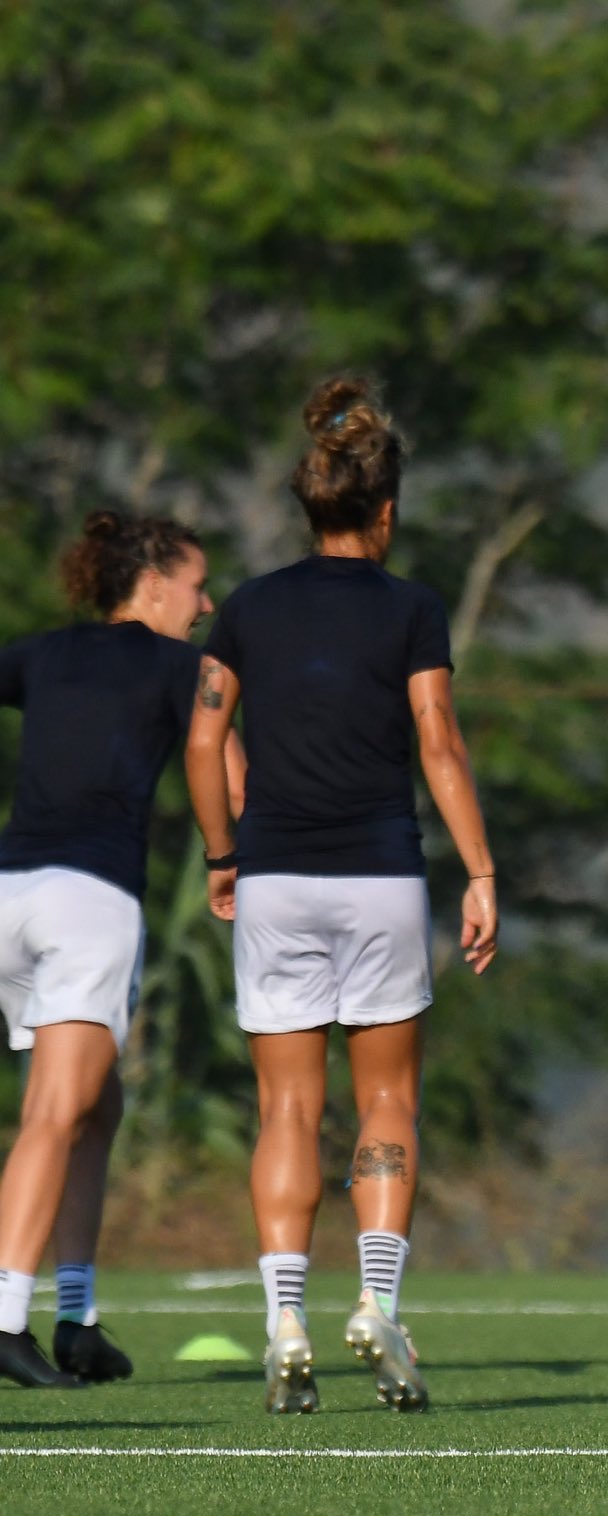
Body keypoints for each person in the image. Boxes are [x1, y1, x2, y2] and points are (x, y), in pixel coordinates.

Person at [186, 376, 497, 1415]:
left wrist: (223, 854)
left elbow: (201, 740)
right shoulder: (412, 608)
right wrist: (482, 871)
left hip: (272, 876)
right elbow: (439, 742)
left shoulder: (246, 608)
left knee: (285, 1106)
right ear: (387, 511)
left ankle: (284, 1317)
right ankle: (376, 1304)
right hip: (379, 879)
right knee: (386, 1102)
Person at [0, 512, 233, 1387]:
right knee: (55, 1115)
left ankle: (78, 1319)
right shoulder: (184, 666)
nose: (206, 603)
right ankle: (3, 1317)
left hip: (8, 894)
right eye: (197, 584)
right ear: (152, 584)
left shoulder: (42, 653)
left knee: (97, 1110)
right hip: (86, 902)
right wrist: (233, 857)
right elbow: (229, 768)